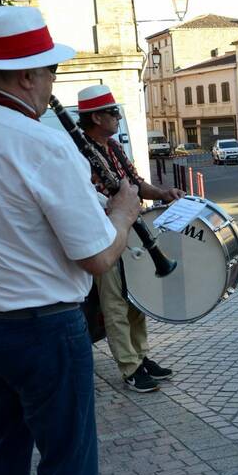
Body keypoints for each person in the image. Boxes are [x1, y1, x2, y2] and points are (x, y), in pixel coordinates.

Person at [0, 6, 141, 475]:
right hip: (44, 325)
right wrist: (126, 210)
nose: (53, 82)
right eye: (49, 70)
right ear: (27, 76)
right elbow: (98, 256)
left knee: (2, 448)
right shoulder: (40, 141)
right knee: (69, 470)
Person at [77, 85, 184, 393]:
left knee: (136, 297)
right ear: (96, 117)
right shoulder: (80, 151)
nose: (117, 117)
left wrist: (163, 193)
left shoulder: (111, 145)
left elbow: (135, 184)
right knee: (114, 302)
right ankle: (129, 366)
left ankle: (140, 355)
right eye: (112, 113)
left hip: (128, 229)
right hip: (101, 234)